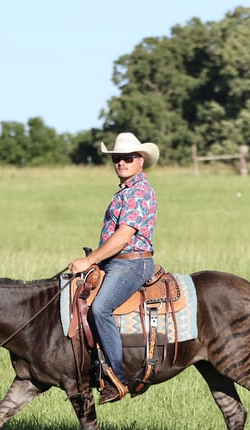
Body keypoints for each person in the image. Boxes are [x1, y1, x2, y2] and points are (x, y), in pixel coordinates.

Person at [69, 132, 159, 404]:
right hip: (115, 261)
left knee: (100, 308)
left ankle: (116, 377)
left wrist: (90, 260)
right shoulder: (125, 191)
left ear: (140, 160)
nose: (121, 163)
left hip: (133, 262)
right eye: (117, 159)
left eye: (127, 158)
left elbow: (122, 237)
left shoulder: (139, 193)